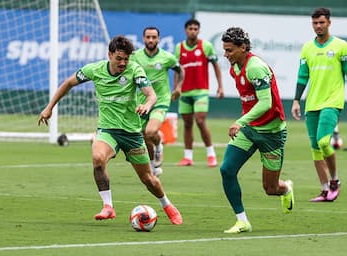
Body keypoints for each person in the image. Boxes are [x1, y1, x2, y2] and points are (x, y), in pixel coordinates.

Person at [38, 35, 183, 225]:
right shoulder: (95, 70)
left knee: (148, 179)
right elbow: (68, 83)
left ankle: (167, 205)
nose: (123, 63)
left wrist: (147, 105)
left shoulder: (134, 69)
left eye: (126, 59)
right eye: (119, 58)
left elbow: (151, 94)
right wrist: (49, 107)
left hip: (131, 133)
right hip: (108, 130)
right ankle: (108, 206)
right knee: (98, 159)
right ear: (110, 55)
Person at [219, 27, 293, 234]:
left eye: (230, 50)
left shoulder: (256, 68)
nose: (226, 55)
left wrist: (240, 121)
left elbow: (265, 103)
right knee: (226, 170)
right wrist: (245, 124)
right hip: (250, 130)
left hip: (272, 133)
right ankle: (242, 221)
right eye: (224, 50)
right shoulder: (235, 68)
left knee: (271, 189)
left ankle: (286, 188)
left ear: (243, 48)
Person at [291, 7, 347, 203]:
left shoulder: (341, 46)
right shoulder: (307, 48)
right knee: (314, 148)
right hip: (312, 104)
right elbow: (303, 76)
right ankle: (324, 189)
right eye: (315, 23)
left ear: (329, 22)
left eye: (321, 22)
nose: (318, 26)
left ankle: (335, 180)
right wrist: (296, 100)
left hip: (332, 102)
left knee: (323, 142)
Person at [131, 26, 184, 175]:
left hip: (161, 100)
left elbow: (181, 70)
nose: (151, 40)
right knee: (143, 136)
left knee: (151, 131)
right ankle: (154, 164)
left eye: (154, 37)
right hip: (142, 101)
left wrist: (178, 87)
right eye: (148, 37)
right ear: (143, 38)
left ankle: (159, 143)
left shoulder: (167, 57)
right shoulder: (135, 57)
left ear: (158, 39)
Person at [173, 18, 224, 167]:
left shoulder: (206, 46)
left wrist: (220, 86)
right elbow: (177, 70)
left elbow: (216, 66)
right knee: (187, 124)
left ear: (199, 31)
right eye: (190, 28)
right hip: (185, 92)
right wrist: (176, 88)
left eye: (196, 29)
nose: (193, 31)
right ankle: (188, 157)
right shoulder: (179, 48)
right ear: (186, 30)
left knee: (200, 121)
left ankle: (211, 155)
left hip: (201, 90)